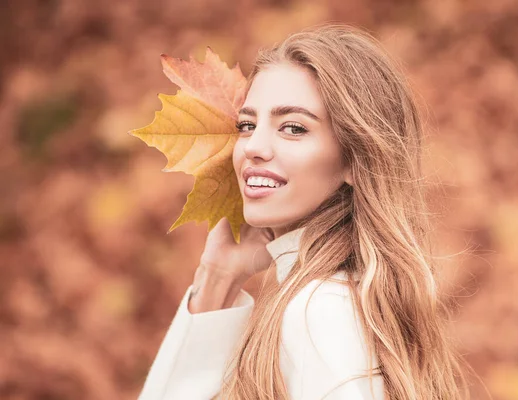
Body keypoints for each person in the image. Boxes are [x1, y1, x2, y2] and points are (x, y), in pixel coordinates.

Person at [138, 23, 469, 400]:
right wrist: (217, 279)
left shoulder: (319, 311)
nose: (253, 146)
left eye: (293, 128)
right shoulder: (338, 300)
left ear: (355, 159)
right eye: (247, 125)